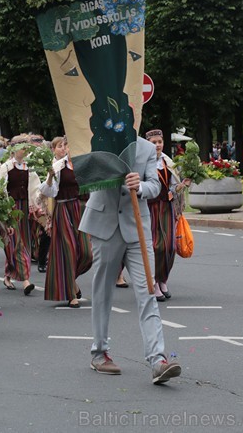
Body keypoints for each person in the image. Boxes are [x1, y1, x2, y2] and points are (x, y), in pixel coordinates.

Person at [79, 136, 182, 384]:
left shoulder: (146, 147)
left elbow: (155, 186)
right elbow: (86, 181)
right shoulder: (95, 141)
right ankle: (100, 352)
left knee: (148, 291)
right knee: (103, 292)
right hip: (105, 225)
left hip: (137, 227)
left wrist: (141, 186)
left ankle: (158, 360)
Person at [39, 136, 92, 308]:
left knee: (86, 253)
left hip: (82, 210)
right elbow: (49, 192)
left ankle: (68, 281)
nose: (69, 149)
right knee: (68, 251)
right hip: (64, 210)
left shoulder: (84, 165)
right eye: (66, 146)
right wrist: (49, 177)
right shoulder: (58, 166)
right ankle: (71, 293)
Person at [144, 130, 190, 301]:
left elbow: (172, 187)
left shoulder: (167, 162)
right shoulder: (143, 163)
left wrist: (182, 185)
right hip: (150, 208)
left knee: (170, 246)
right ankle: (154, 282)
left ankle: (163, 279)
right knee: (156, 246)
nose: (157, 145)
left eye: (159, 142)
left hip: (166, 207)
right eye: (154, 142)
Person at [0, 135, 41, 295]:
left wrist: (35, 205)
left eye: (26, 147)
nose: (25, 150)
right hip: (11, 207)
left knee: (22, 241)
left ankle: (8, 274)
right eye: (22, 147)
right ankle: (25, 280)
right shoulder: (6, 167)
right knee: (16, 243)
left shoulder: (28, 167)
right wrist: (5, 210)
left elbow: (35, 188)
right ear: (14, 149)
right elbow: (1, 189)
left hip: (24, 208)